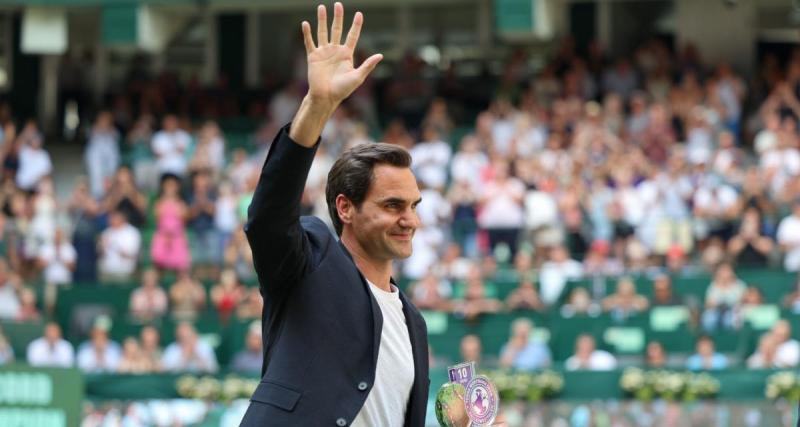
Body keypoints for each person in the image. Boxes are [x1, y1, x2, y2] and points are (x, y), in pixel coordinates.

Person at [240, 4, 429, 426]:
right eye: (392, 205)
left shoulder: (413, 322)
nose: (409, 220)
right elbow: (269, 218)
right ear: (345, 207)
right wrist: (317, 106)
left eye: (414, 206)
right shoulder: (311, 260)